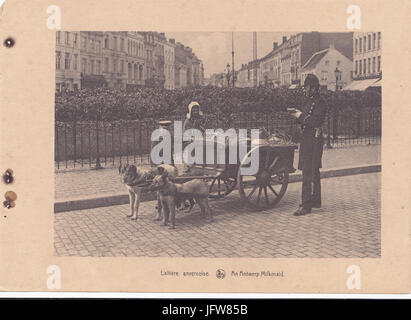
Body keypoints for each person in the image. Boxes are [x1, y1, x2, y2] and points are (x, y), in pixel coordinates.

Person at [288, 74, 327, 216]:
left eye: (307, 87)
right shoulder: (308, 101)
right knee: (312, 171)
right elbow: (305, 119)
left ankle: (306, 205)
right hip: (307, 138)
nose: (305, 90)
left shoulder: (321, 103)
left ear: (314, 88)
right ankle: (315, 200)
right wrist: (296, 116)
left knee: (309, 171)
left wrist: (300, 116)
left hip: (314, 140)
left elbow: (315, 121)